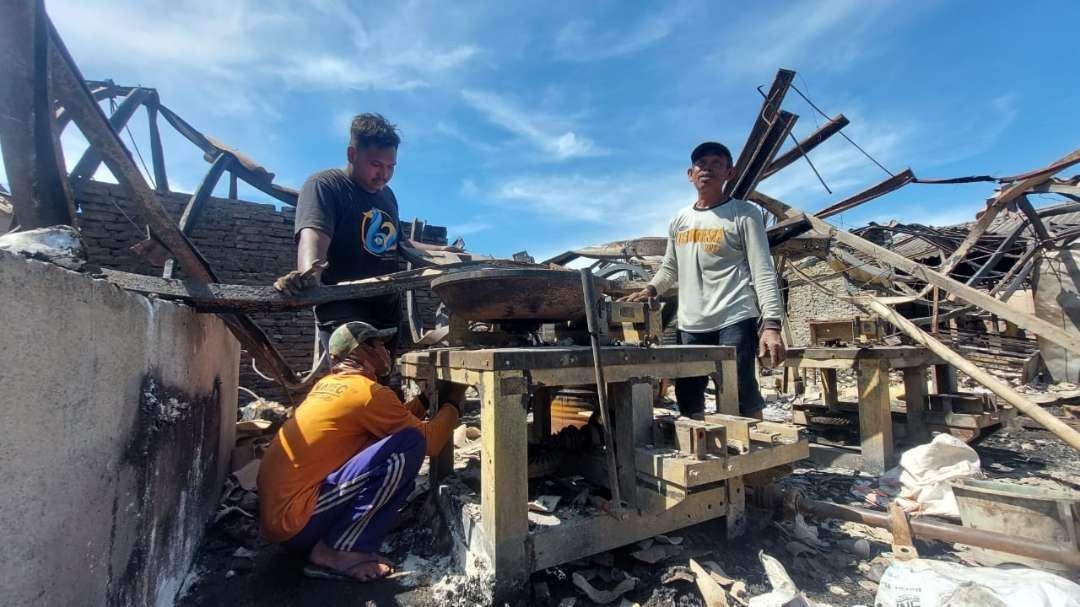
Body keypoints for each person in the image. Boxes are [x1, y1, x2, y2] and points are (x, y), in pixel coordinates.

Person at [257, 321, 461, 582]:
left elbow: (392, 421)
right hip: (295, 523)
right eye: (380, 345)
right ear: (362, 351)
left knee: (402, 442)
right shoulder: (367, 393)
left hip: (281, 519)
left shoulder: (328, 386)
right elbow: (430, 443)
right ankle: (339, 551)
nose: (387, 351)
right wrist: (453, 400)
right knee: (409, 446)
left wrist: (423, 401)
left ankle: (335, 538)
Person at [623, 141, 786, 420]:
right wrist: (651, 288)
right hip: (691, 323)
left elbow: (763, 269)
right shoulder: (679, 220)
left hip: (734, 316)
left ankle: (755, 457)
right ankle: (699, 451)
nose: (707, 170)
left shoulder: (743, 214)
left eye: (716, 164)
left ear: (729, 172)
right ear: (690, 174)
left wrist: (771, 323)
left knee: (741, 392)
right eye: (701, 165)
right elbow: (670, 268)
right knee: (688, 396)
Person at [273, 113, 455, 357]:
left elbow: (400, 242)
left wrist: (440, 251)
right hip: (345, 311)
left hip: (386, 310)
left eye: (391, 167)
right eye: (376, 164)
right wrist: (308, 275)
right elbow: (313, 234)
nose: (384, 174)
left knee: (380, 385)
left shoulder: (387, 197)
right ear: (352, 154)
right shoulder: (325, 185)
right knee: (353, 382)